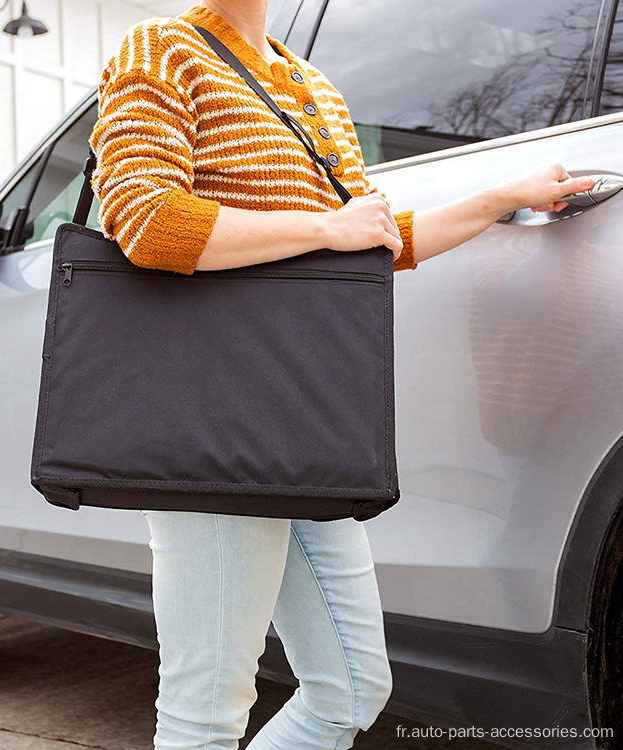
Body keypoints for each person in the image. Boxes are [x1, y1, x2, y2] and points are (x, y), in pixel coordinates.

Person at [88, 2, 596, 748]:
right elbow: (146, 219)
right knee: (207, 708)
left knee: (351, 687)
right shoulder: (160, 50)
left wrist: (499, 199)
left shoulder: (309, 83)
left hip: (306, 425)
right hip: (218, 422)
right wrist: (328, 227)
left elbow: (372, 242)